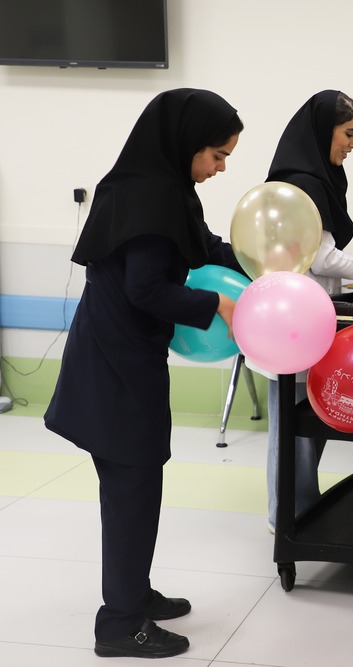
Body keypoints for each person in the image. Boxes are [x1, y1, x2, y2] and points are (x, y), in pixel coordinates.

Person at [43, 89, 245, 659]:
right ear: (187, 143)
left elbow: (203, 246)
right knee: (131, 488)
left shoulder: (163, 188)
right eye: (217, 155)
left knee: (139, 482)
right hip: (116, 364)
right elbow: (147, 289)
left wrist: (258, 261)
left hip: (126, 354)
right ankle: (120, 624)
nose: (221, 168)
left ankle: (134, 594)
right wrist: (218, 304)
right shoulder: (150, 196)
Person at [262, 90, 353, 532]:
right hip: (295, 323)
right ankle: (289, 515)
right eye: (349, 133)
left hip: (306, 318)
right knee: (295, 427)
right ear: (324, 131)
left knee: (304, 423)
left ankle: (299, 506)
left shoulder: (314, 177)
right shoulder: (305, 183)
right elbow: (321, 258)